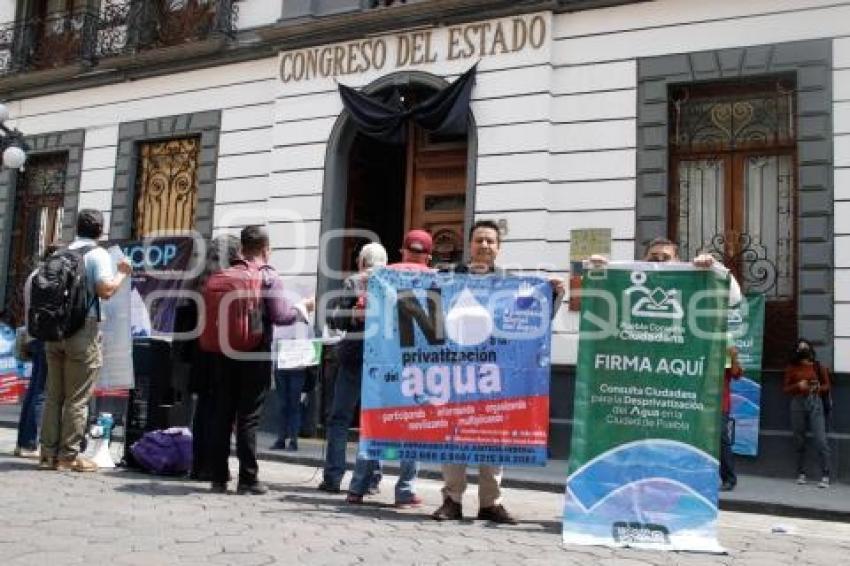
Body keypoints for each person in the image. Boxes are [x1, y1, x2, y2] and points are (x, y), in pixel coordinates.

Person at [431, 220, 565, 524]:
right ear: (470, 245)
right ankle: (451, 501)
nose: (485, 246)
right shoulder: (449, 279)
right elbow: (420, 306)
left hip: (496, 375)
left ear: (499, 248)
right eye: (479, 240)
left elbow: (533, 320)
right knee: (454, 438)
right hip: (456, 374)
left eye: (491, 241)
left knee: (493, 437)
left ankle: (490, 503)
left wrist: (553, 295)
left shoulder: (511, 284)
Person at [209, 225, 313, 494]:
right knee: (248, 417)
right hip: (255, 353)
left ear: (242, 248)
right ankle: (248, 479)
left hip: (223, 353)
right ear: (267, 249)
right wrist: (303, 308)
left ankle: (219, 477)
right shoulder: (269, 277)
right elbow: (281, 316)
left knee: (222, 414)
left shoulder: (225, 273)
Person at [320, 242, 423, 503]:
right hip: (387, 360)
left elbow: (338, 319)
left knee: (339, 418)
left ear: (360, 262)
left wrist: (352, 316)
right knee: (378, 419)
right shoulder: (394, 280)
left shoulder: (355, 282)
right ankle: (373, 479)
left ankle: (333, 478)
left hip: (355, 358)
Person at [345, 230, 435, 506]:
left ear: (402, 251)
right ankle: (405, 490)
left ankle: (357, 488)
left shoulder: (382, 275)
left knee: (374, 425)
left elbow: (356, 295)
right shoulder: (435, 280)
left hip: (381, 362)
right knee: (412, 428)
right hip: (416, 365)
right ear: (428, 256)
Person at [39, 209, 132, 472]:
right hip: (82, 329)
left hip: (54, 331)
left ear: (76, 228)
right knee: (77, 398)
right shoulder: (97, 254)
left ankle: (47, 454)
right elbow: (106, 290)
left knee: (54, 396)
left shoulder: (59, 254)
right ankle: (68, 457)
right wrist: (123, 273)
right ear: (101, 231)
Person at [174, 234, 242, 481]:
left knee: (203, 409)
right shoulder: (227, 282)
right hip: (220, 353)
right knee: (221, 411)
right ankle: (214, 466)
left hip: (198, 354)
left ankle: (198, 465)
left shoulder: (196, 281)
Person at [13, 245, 60, 458]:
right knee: (41, 390)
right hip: (43, 337)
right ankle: (31, 442)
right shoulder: (45, 277)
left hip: (33, 336)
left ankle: (24, 442)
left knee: (34, 390)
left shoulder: (33, 275)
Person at [783, 339, 832, 488]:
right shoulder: (792, 367)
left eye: (805, 347)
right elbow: (785, 389)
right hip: (797, 403)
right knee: (799, 439)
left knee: (820, 439)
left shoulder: (818, 366)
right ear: (796, 351)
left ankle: (825, 474)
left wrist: (817, 388)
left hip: (815, 402)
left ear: (810, 349)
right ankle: (801, 473)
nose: (803, 349)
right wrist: (798, 385)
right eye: (800, 347)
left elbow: (827, 386)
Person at [720, 346, 743, 491]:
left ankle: (729, 478)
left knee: (722, 438)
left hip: (721, 404)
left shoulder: (725, 353)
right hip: (700, 402)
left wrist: (733, 357)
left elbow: (737, 374)